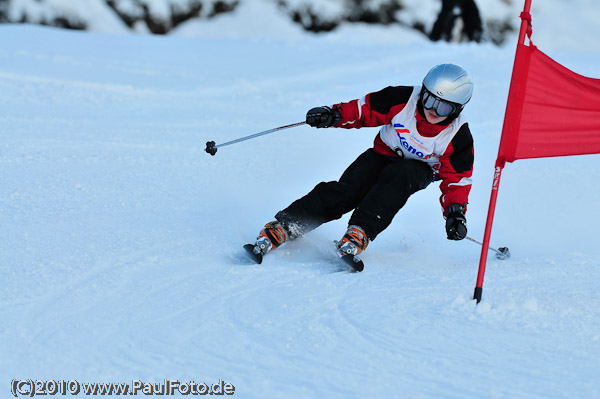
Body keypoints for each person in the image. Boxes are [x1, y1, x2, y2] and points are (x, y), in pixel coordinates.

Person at [249, 63, 474, 261]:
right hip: (382, 154)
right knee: (346, 191)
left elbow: (458, 179)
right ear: (422, 92)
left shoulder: (458, 136)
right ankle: (288, 224)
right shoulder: (402, 99)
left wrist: (455, 213)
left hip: (418, 170)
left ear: (456, 110)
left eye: (443, 107)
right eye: (429, 100)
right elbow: (363, 110)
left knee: (397, 179)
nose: (433, 110)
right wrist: (333, 115)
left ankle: (360, 231)